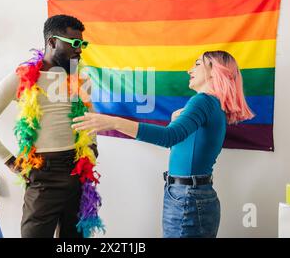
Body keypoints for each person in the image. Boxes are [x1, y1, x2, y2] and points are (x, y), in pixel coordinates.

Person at [71, 50, 254, 238]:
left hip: (187, 198)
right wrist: (177, 122)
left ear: (214, 71)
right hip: (193, 196)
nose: (189, 70)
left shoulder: (203, 101)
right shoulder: (213, 104)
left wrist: (113, 122)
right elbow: (183, 142)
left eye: (197, 64)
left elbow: (169, 137)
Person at [0, 15, 102, 238]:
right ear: (52, 42)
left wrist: (93, 147)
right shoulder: (23, 79)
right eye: (74, 43)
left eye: (82, 44)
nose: (80, 50)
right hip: (43, 175)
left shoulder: (80, 79)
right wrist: (10, 161)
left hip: (77, 171)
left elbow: (88, 116)